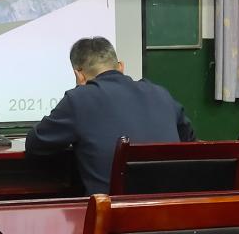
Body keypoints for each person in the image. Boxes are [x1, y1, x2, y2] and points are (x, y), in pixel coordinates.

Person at [25, 36, 195, 195]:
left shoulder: (79, 99)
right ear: (120, 66)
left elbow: (35, 143)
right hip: (173, 210)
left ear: (79, 75)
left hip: (114, 213)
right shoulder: (160, 93)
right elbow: (189, 141)